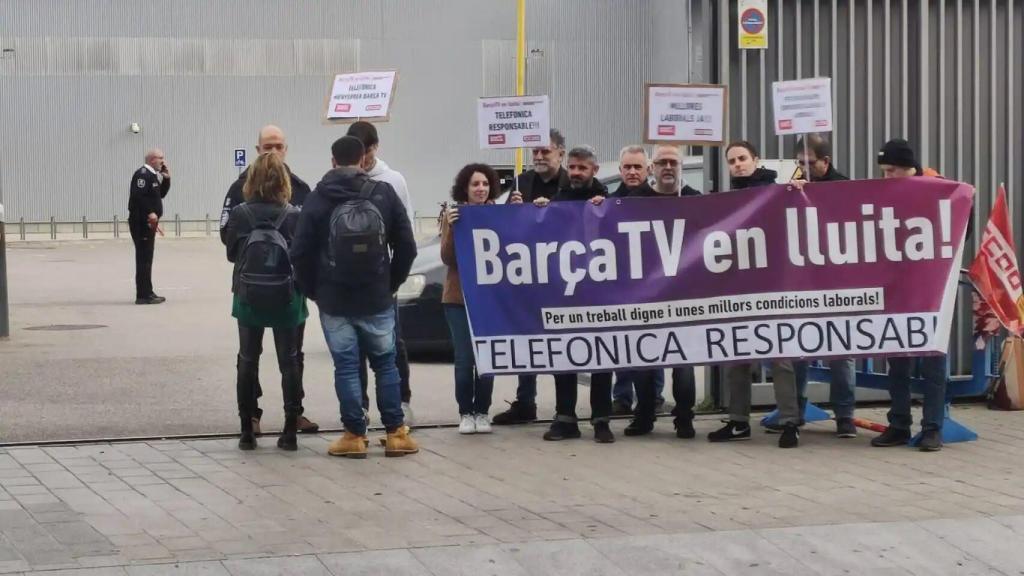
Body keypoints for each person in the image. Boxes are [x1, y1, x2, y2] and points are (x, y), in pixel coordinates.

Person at [290, 136, 417, 459]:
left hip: (334, 299)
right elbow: (407, 246)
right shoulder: (383, 194)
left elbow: (300, 252)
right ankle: (396, 434)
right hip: (377, 296)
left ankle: (354, 435)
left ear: (333, 161)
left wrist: (314, 291)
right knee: (386, 365)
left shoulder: (319, 198)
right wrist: (390, 282)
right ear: (363, 161)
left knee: (347, 366)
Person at [219, 125, 318, 436]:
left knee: (248, 358)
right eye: (268, 146)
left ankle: (247, 426)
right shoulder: (295, 210)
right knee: (290, 359)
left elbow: (230, 248)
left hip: (248, 291)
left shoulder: (241, 208)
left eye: (278, 145)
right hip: (288, 294)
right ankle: (289, 427)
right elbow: (309, 249)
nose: (273, 151)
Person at [707, 141, 802, 449]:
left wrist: (800, 190)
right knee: (737, 357)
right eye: (731, 160)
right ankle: (738, 422)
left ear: (756, 160)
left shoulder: (776, 192)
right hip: (739, 288)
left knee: (780, 358)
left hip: (773, 286)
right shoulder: (727, 200)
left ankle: (790, 421)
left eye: (742, 158)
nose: (737, 164)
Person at [607, 145, 700, 438]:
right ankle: (644, 415)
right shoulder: (635, 201)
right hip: (644, 294)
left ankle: (684, 417)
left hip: (684, 295)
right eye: (662, 162)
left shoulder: (697, 201)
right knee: (644, 359)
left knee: (683, 363)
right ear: (652, 168)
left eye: (673, 162)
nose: (668, 167)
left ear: (681, 166)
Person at [871, 138, 952, 452]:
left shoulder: (941, 189)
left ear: (910, 167)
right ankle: (899, 424)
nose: (887, 177)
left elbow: (960, 228)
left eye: (892, 170)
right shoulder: (884, 194)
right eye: (883, 171)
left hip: (933, 288)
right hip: (899, 287)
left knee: (933, 361)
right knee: (898, 360)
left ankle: (933, 428)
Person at [533, 146, 614, 443]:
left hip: (600, 292)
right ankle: (565, 418)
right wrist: (538, 212)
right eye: (573, 167)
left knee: (603, 357)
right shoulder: (559, 200)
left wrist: (605, 210)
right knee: (564, 354)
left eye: (583, 168)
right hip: (566, 292)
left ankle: (601, 419)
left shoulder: (607, 201)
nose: (577, 173)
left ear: (594, 170)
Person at [492, 128, 570, 426]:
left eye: (545, 151)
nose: (538, 156)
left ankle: (566, 408)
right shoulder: (521, 183)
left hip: (564, 278)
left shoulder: (570, 182)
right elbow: (505, 230)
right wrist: (511, 211)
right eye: (535, 151)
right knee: (529, 339)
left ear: (560, 153)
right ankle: (526, 401)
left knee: (562, 341)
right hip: (529, 277)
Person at [783, 134, 859, 438]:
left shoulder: (845, 187)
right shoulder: (795, 185)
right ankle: (796, 411)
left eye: (809, 163)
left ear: (825, 162)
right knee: (800, 348)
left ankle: (845, 415)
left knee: (841, 352)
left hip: (838, 281)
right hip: (805, 281)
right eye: (799, 163)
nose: (804, 168)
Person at [442, 164, 522, 433]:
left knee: (486, 358)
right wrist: (452, 228)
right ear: (465, 188)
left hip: (490, 297)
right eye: (475, 184)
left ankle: (482, 411)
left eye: (485, 184)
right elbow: (448, 258)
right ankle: (466, 412)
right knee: (465, 358)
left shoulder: (496, 214)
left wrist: (517, 213)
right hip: (458, 298)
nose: (481, 189)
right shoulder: (454, 214)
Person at [346, 121, 415, 424]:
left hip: (383, 277)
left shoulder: (393, 180)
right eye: (356, 153)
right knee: (355, 346)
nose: (362, 159)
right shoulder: (343, 179)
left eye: (366, 152)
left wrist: (395, 278)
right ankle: (359, 405)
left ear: (375, 148)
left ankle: (401, 400)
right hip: (350, 279)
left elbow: (406, 232)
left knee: (391, 343)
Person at [128, 149, 170, 305]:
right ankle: (143, 295)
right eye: (160, 158)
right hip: (141, 222)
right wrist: (150, 212)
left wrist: (166, 179)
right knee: (143, 258)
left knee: (147, 258)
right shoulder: (143, 174)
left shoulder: (152, 176)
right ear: (152, 159)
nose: (163, 161)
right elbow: (137, 197)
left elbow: (160, 195)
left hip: (149, 223)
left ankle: (148, 291)